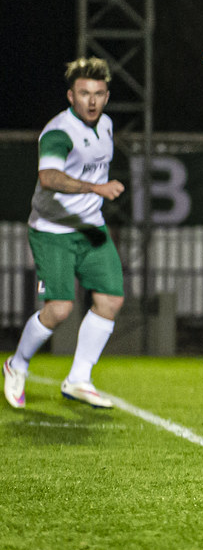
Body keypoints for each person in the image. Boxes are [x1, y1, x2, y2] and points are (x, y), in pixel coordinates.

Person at [4, 57, 125, 410]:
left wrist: (94, 196)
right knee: (58, 310)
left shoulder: (106, 125)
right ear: (71, 95)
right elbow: (49, 178)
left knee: (111, 300)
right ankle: (17, 364)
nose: (92, 101)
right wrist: (94, 189)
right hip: (53, 230)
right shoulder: (58, 132)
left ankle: (78, 379)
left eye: (99, 94)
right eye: (84, 93)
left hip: (90, 228)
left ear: (106, 96)